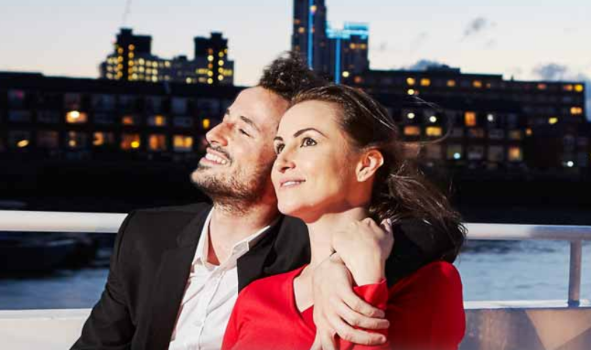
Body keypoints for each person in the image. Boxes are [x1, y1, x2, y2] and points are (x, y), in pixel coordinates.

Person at [72, 53, 461, 350]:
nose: (212, 134)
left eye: (242, 129)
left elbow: (438, 230)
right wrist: (333, 265)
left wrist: (345, 267)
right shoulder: (147, 235)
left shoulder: (297, 244)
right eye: (281, 143)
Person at [222, 84, 466, 350]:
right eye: (280, 147)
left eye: (308, 141)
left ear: (366, 164)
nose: (282, 161)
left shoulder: (431, 284)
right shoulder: (255, 297)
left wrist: (366, 281)